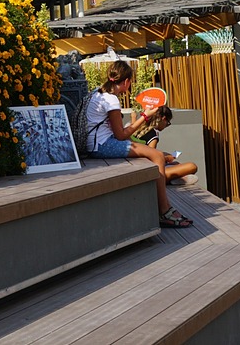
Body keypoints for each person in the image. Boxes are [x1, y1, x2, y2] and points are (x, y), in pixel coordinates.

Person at [85, 59, 193, 228]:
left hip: (95, 144)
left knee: (151, 154)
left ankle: (164, 207)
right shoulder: (112, 100)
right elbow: (120, 135)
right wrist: (145, 116)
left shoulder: (97, 93)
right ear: (126, 81)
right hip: (102, 146)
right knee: (157, 155)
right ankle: (164, 210)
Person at [133, 105, 199, 185]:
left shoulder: (138, 128)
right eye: (167, 123)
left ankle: (177, 178)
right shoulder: (153, 136)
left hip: (135, 166)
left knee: (176, 163)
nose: (166, 126)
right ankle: (170, 179)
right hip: (148, 175)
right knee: (192, 166)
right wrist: (167, 158)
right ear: (163, 119)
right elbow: (151, 160)